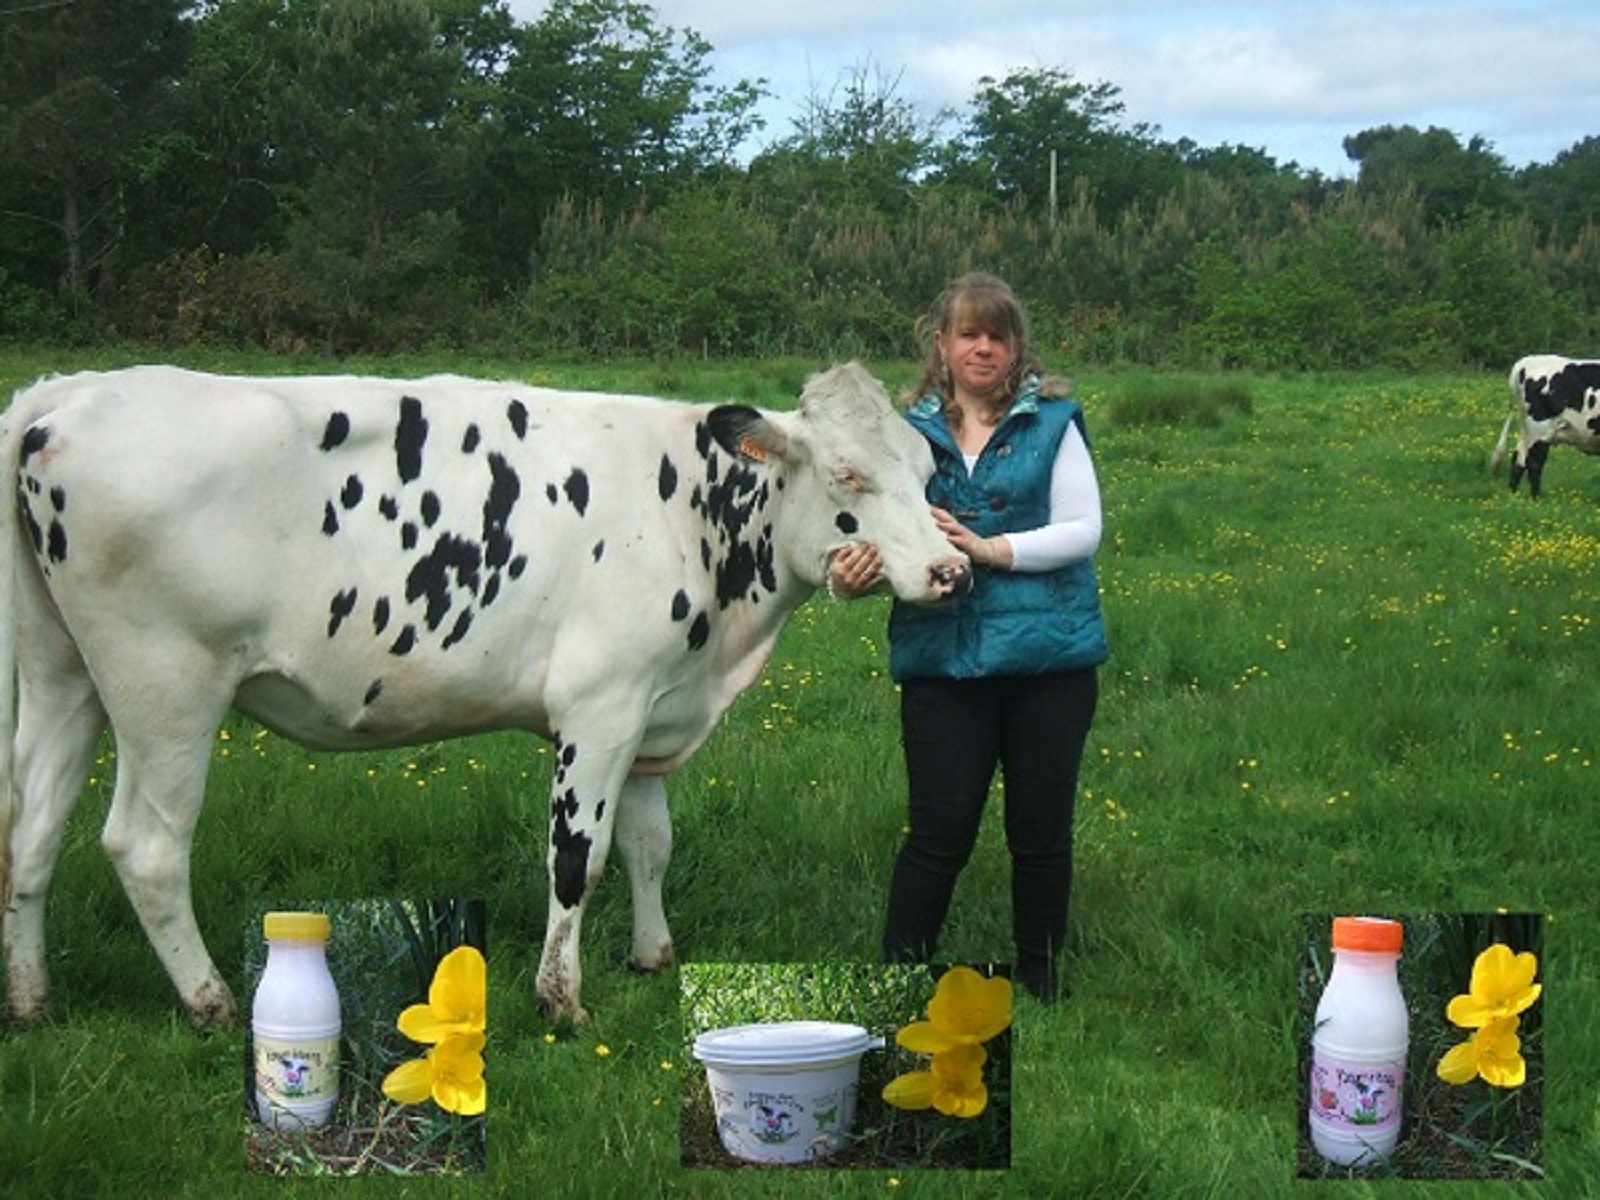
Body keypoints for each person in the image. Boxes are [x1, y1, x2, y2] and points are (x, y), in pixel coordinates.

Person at [830, 272, 1108, 1001]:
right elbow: (880, 532)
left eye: (998, 335)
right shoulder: (903, 437)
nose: (983, 348)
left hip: (1051, 663)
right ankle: (899, 982)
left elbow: (1084, 531)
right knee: (938, 833)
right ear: (942, 346)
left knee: (1039, 832)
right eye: (968, 334)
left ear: (1016, 347)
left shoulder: (1053, 422)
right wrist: (852, 577)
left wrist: (987, 550)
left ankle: (1041, 981)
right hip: (941, 661)